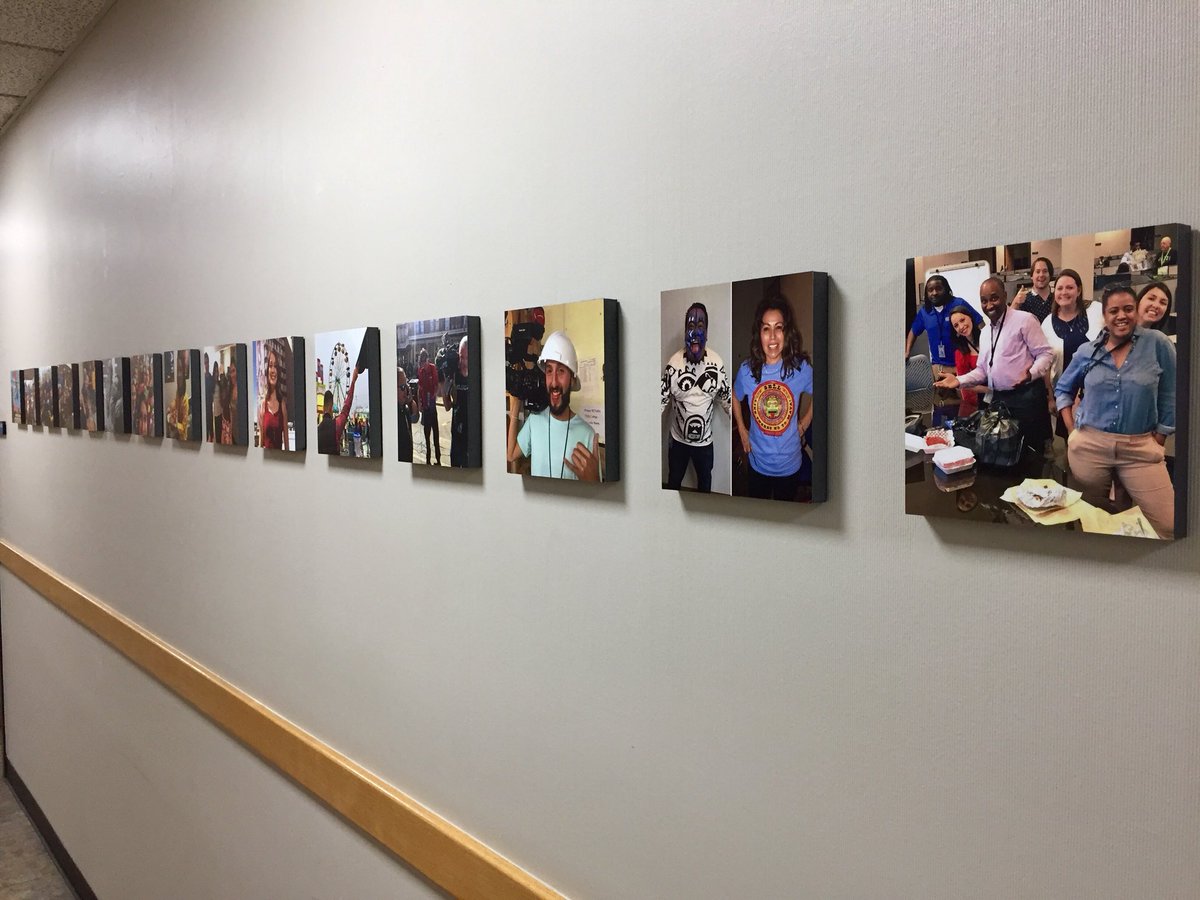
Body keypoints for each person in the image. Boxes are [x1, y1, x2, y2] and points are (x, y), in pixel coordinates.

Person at [1055, 284, 1176, 538]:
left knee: (1169, 525)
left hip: (1140, 447)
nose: (1122, 316)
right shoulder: (1088, 351)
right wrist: (1072, 432)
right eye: (1114, 311)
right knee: (1092, 521)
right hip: (1090, 445)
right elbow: (1063, 389)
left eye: (1128, 309)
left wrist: (1160, 437)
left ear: (1136, 310)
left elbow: (1170, 394)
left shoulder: (1157, 344)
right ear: (1105, 316)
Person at [934, 276, 1054, 455]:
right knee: (1006, 453)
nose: (989, 305)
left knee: (1032, 453)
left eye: (994, 298)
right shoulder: (985, 333)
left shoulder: (1025, 320)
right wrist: (958, 380)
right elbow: (982, 370)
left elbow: (1046, 353)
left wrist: (1031, 373)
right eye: (984, 301)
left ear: (1005, 296)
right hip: (1000, 401)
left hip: (1027, 398)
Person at [732, 295, 813, 501]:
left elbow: (820, 393)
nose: (773, 337)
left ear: (787, 332)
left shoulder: (801, 368)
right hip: (757, 464)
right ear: (759, 334)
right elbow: (734, 394)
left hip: (789, 466)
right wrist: (741, 429)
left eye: (779, 328)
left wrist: (804, 423)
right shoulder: (747, 370)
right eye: (766, 329)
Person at [507, 330, 600, 480]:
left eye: (561, 371)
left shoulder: (587, 435)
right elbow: (511, 455)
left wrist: (593, 479)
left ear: (572, 380)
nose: (554, 382)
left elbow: (596, 492)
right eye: (549, 371)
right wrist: (517, 400)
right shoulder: (534, 421)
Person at [661, 302, 732, 492]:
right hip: (678, 443)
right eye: (690, 326)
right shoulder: (673, 364)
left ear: (707, 333)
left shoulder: (717, 364)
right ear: (685, 332)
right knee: (673, 483)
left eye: (700, 326)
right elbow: (659, 403)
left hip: (705, 445)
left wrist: (744, 428)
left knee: (705, 487)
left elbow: (728, 402)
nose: (695, 332)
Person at [904, 275, 982, 376]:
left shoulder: (959, 303)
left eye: (938, 288)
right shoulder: (925, 311)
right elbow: (913, 331)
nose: (934, 293)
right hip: (938, 369)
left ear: (946, 289)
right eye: (930, 290)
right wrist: (907, 351)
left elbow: (980, 323)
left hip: (962, 365)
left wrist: (982, 348)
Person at [948, 308, 986, 417]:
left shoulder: (987, 336)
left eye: (962, 320)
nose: (961, 327)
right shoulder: (960, 352)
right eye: (956, 325)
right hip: (980, 398)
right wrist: (989, 390)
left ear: (970, 318)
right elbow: (965, 384)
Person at [443, 335, 471, 467]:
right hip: (456, 433)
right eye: (461, 357)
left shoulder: (476, 375)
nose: (463, 362)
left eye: (467, 358)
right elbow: (447, 406)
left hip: (470, 435)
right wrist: (445, 389)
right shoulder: (454, 374)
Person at [318, 366, 359, 456]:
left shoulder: (317, 430)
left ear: (323, 408)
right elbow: (346, 407)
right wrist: (353, 381)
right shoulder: (336, 424)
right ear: (331, 407)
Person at [258, 346, 289, 451]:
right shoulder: (263, 405)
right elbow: (260, 444)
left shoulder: (282, 404)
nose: (273, 370)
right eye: (270, 366)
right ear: (267, 370)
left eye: (275, 366)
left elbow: (287, 446)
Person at [417, 348, 441, 465]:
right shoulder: (421, 371)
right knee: (427, 435)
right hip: (426, 408)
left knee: (436, 434)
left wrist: (434, 396)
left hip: (432, 406)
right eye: (421, 362)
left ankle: (438, 459)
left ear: (427, 359)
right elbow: (419, 388)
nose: (423, 365)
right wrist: (420, 403)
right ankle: (428, 459)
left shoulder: (432, 368)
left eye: (424, 362)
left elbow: (437, 386)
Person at [1011, 256, 1054, 322]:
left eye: (1045, 271)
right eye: (1038, 271)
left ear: (1050, 275)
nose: (1041, 275)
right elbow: (1009, 322)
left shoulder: (1057, 299)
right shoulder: (1023, 300)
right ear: (1031, 276)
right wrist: (1015, 304)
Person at [396, 366, 415, 463]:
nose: (406, 391)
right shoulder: (393, 415)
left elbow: (416, 417)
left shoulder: (405, 407)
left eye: (406, 386)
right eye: (403, 387)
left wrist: (410, 400)